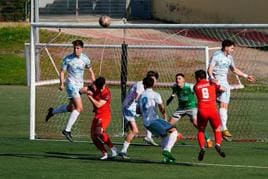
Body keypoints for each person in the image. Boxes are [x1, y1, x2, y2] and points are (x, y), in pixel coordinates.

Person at [45, 40, 95, 142]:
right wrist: (61, 83)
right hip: (71, 85)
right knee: (79, 108)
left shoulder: (85, 59)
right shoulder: (67, 59)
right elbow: (62, 72)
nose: (76, 50)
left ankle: (52, 111)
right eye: (74, 48)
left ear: (82, 48)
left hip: (80, 85)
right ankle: (67, 130)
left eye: (77, 48)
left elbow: (91, 71)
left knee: (71, 107)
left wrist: (93, 82)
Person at [208, 39, 255, 141]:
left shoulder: (229, 57)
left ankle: (222, 129)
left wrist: (246, 76)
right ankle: (222, 129)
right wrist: (212, 78)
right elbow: (209, 69)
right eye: (232, 48)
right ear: (226, 47)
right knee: (218, 106)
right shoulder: (216, 56)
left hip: (223, 83)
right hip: (217, 83)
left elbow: (234, 69)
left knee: (223, 106)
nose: (233, 50)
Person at [137, 76, 179, 163]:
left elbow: (138, 111)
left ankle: (167, 158)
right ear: (153, 84)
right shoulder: (155, 94)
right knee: (174, 131)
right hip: (153, 120)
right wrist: (164, 115)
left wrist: (145, 112)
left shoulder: (141, 96)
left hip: (146, 123)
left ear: (144, 85)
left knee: (164, 136)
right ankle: (167, 150)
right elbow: (161, 107)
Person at [119, 71, 159, 159]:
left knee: (151, 117)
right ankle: (123, 151)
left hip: (133, 108)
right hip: (129, 108)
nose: (155, 82)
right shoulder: (141, 85)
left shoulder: (144, 85)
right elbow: (137, 98)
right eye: (154, 80)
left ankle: (148, 136)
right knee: (134, 131)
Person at [166, 73, 213, 148]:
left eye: (179, 78)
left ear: (184, 80)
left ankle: (208, 140)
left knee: (196, 123)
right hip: (181, 108)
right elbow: (173, 94)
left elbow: (199, 93)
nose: (177, 80)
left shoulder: (190, 87)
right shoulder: (174, 87)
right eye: (176, 79)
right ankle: (177, 134)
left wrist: (200, 103)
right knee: (168, 125)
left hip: (191, 108)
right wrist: (168, 101)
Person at [194, 69, 226, 161]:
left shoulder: (196, 86)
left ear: (198, 78)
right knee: (217, 129)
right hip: (212, 110)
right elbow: (222, 89)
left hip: (202, 110)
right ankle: (218, 144)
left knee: (201, 130)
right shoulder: (212, 84)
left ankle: (202, 148)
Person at [86, 77, 117, 160]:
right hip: (97, 115)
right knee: (93, 136)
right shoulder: (95, 86)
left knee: (99, 131)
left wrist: (90, 97)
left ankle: (113, 148)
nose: (100, 89)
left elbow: (98, 105)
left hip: (104, 115)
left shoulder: (106, 93)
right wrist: (83, 90)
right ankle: (104, 153)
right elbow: (84, 89)